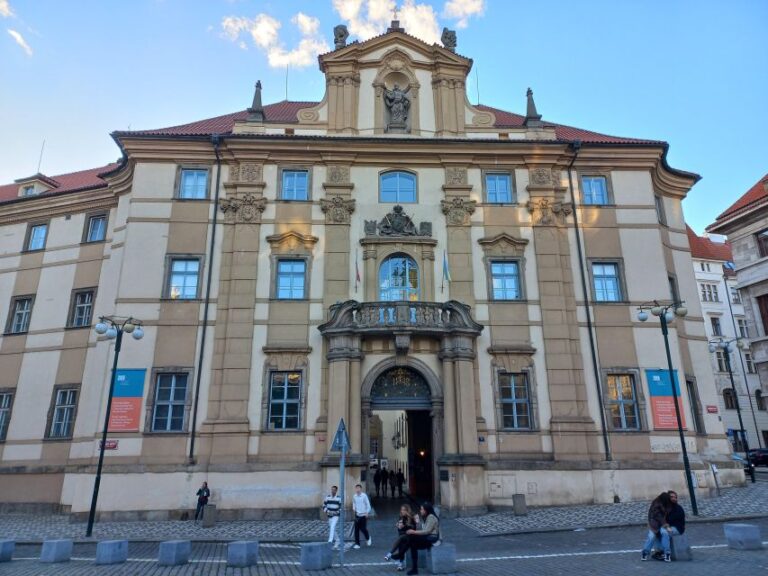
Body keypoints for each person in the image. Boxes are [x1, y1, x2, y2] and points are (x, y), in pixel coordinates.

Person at [391, 502, 440, 575]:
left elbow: (427, 531)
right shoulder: (427, 516)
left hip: (432, 538)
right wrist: (416, 525)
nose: (420, 511)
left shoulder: (431, 517)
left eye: (422, 509)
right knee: (412, 543)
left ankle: (401, 555)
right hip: (427, 537)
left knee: (412, 539)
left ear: (426, 510)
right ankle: (413, 568)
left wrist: (413, 531)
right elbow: (423, 529)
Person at [641, 492, 672, 562]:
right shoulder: (656, 505)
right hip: (654, 524)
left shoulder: (666, 504)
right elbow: (659, 517)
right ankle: (645, 552)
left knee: (665, 533)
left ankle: (667, 553)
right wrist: (666, 526)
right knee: (651, 536)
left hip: (662, 523)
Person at [385, 504, 417, 571]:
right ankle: (400, 563)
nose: (402, 511)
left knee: (401, 538)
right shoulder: (401, 517)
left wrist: (404, 526)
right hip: (404, 536)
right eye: (401, 510)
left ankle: (391, 555)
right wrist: (399, 526)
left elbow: (414, 528)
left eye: (404, 510)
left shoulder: (412, 517)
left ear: (407, 511)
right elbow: (400, 531)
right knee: (401, 540)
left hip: (411, 536)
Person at [352, 483, 372, 549]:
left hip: (363, 515)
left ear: (361, 489)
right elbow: (354, 503)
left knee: (363, 528)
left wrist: (367, 512)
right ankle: (357, 544)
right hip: (357, 515)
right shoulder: (354, 496)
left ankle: (368, 537)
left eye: (358, 488)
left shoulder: (364, 496)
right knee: (356, 530)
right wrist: (354, 508)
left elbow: (368, 505)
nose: (357, 489)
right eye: (356, 488)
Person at [323, 485, 342, 549]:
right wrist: (327, 511)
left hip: (336, 516)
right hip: (329, 515)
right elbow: (324, 505)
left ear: (336, 490)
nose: (332, 491)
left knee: (332, 527)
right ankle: (337, 540)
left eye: (334, 490)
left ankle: (330, 541)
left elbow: (341, 508)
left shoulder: (339, 498)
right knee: (333, 529)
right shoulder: (327, 497)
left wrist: (336, 512)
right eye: (332, 489)